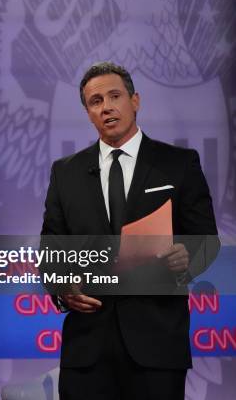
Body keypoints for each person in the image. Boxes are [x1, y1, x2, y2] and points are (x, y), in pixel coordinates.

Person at [40, 61, 219, 399]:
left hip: (157, 343)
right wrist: (62, 285)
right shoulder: (66, 172)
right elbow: (51, 247)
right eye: (95, 102)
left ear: (135, 100)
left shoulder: (178, 164)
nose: (106, 106)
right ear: (88, 113)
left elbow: (207, 240)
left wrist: (188, 258)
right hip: (87, 347)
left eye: (114, 96)